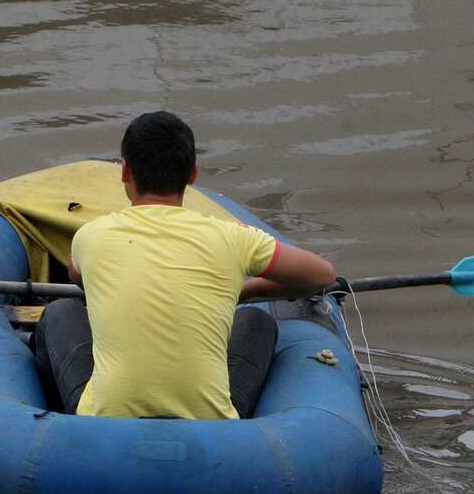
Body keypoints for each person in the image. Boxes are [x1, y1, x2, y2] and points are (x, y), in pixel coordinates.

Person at [31, 111, 338, 420]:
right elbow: (321, 276)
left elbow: (80, 280)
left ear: (125, 172)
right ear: (193, 174)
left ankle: (57, 425)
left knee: (61, 311)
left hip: (105, 421)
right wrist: (246, 291)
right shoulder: (232, 237)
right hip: (211, 424)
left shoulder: (89, 236)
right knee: (256, 323)